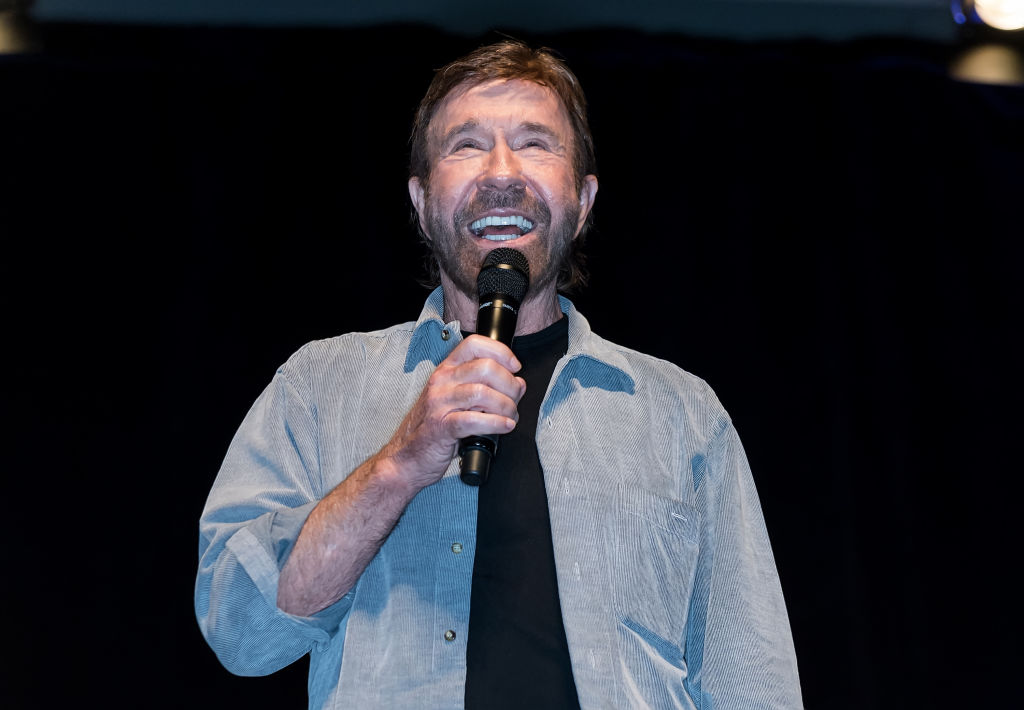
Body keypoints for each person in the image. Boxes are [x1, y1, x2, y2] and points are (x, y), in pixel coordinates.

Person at [195, 40, 803, 709]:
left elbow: (753, 682)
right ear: (422, 202)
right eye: (467, 145)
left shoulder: (682, 414)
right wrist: (401, 461)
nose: (502, 172)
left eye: (535, 143)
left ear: (584, 198)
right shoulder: (319, 385)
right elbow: (241, 630)